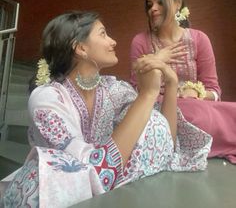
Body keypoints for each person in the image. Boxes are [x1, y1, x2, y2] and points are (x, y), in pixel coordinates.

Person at [0, 11, 211, 207]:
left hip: (109, 195)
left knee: (154, 123)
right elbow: (94, 172)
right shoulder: (48, 99)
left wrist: (171, 83)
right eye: (103, 34)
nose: (113, 41)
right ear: (81, 48)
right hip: (56, 196)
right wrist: (146, 95)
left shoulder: (114, 89)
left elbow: (167, 141)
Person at [130, 0, 236, 164]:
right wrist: (156, 60)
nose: (153, 9)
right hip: (159, 110)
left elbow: (214, 90)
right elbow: (135, 92)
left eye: (160, 2)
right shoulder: (141, 42)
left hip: (198, 104)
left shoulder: (199, 39)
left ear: (178, 3)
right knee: (196, 115)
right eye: (149, 4)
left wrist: (197, 93)